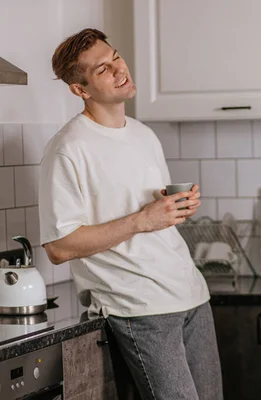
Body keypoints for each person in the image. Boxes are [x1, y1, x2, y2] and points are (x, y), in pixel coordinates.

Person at [39, 28, 223, 400]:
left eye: (116, 56)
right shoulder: (68, 149)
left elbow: (149, 214)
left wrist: (173, 208)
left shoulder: (143, 134)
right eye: (103, 68)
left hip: (189, 294)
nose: (120, 68)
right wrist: (143, 219)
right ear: (81, 89)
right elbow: (59, 247)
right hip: (140, 308)